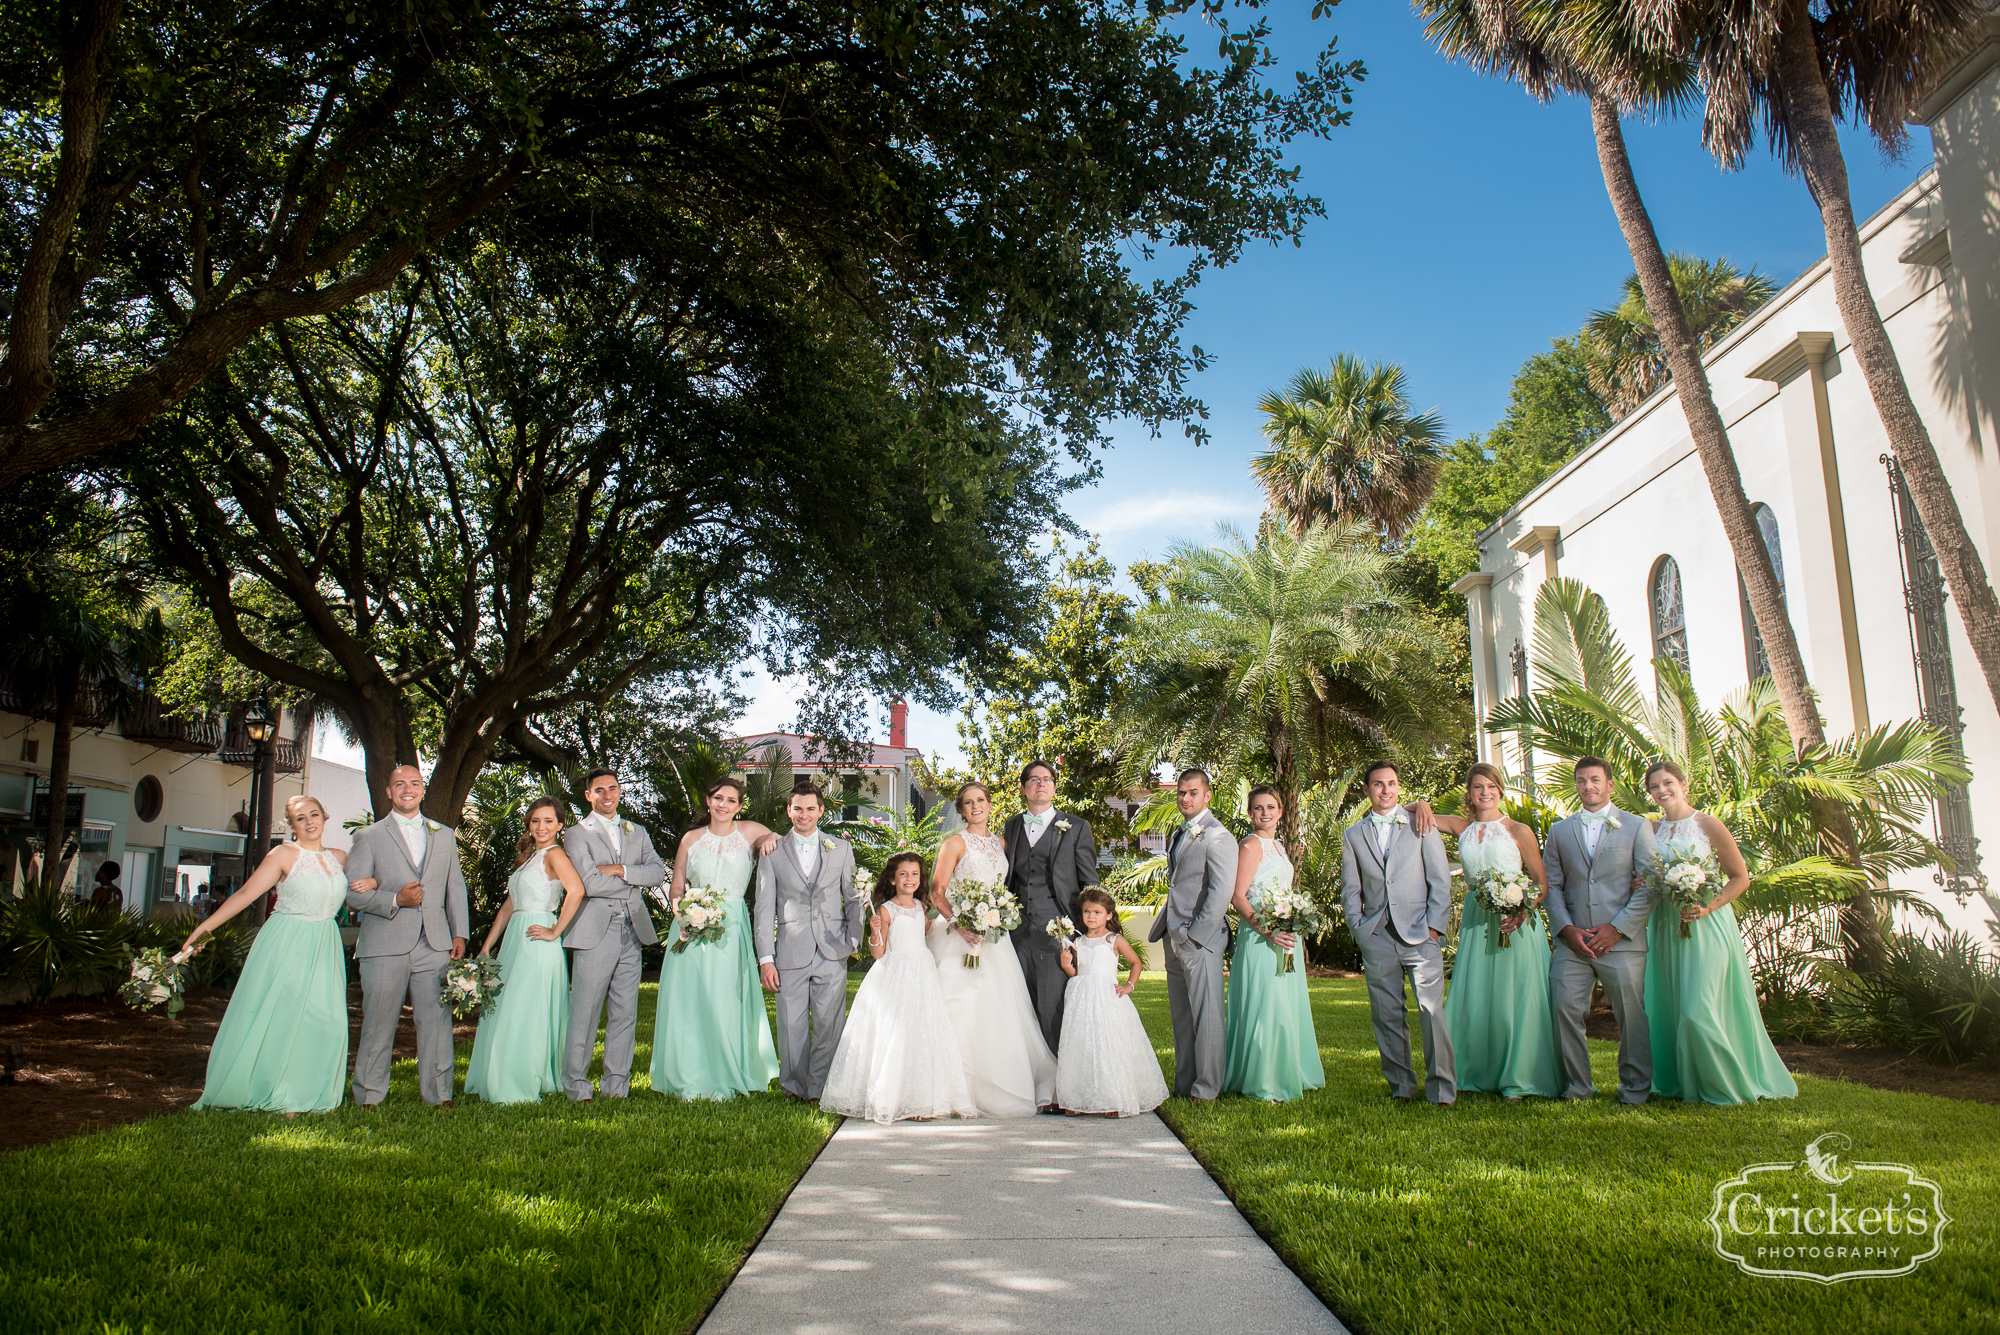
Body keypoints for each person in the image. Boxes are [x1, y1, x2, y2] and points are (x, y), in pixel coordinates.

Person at [1641, 761, 1797, 1105]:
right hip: (1666, 924)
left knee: (1698, 1008)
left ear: (1684, 783)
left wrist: (1708, 907)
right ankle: (1680, 1081)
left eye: (1668, 783)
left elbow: (1740, 877)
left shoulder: (1708, 824)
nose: (1661, 790)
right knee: (1669, 1005)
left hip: (1706, 923)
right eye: (1654, 786)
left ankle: (1722, 1085)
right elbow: (1645, 876)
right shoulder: (1649, 829)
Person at [184, 796, 349, 1114]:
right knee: (283, 1015)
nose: (309, 821)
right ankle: (281, 1092)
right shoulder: (283, 854)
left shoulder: (340, 857)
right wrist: (203, 930)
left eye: (314, 814)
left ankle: (307, 1088)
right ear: (292, 825)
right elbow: (246, 894)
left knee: (325, 1020)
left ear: (325, 817)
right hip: (287, 941)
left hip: (325, 943)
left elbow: (362, 891)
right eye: (301, 818)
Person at [1417, 764, 1560, 1101]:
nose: (1485, 793)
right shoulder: (1461, 827)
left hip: (1516, 920)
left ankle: (1521, 1076)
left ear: (1500, 790)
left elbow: (1542, 884)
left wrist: (1523, 909)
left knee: (1517, 997)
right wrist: (1421, 804)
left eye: (1491, 786)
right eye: (1478, 787)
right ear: (1469, 792)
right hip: (1477, 917)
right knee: (1479, 996)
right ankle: (1474, 1071)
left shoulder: (1518, 830)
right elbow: (1411, 812)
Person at [345, 765, 471, 1108]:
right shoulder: (368, 837)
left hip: (435, 943)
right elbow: (353, 895)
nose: (407, 789)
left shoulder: (443, 834)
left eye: (414, 783)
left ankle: (440, 1095)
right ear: (388, 791)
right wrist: (394, 899)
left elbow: (454, 888)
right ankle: (370, 1096)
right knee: (378, 1023)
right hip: (384, 944)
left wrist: (459, 932)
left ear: (422, 789)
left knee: (436, 1023)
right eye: (398, 783)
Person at [928, 781, 1056, 1117]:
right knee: (962, 1007)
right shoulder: (954, 843)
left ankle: (1002, 1083)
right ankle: (956, 1089)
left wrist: (996, 916)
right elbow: (937, 892)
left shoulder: (1002, 843)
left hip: (995, 940)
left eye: (980, 800)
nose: (975, 807)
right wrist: (960, 924)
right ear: (961, 810)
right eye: (968, 803)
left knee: (1001, 1010)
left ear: (989, 804)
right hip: (960, 936)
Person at [650, 777, 783, 1100]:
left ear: (739, 806)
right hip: (692, 926)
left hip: (733, 927)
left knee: (726, 997)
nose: (723, 805)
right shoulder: (691, 839)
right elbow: (677, 886)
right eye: (718, 798)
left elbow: (775, 837)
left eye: (731, 800)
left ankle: (728, 1067)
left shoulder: (750, 830)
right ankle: (690, 1072)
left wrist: (770, 837)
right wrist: (682, 916)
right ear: (708, 801)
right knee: (691, 1000)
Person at [819, 851, 977, 1124]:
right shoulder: (885, 909)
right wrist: (875, 930)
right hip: (895, 974)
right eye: (903, 874)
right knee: (896, 1032)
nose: (909, 879)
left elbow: (925, 932)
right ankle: (890, 1097)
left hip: (922, 973)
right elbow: (879, 953)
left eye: (914, 874)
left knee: (921, 1031)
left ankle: (919, 1100)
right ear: (892, 879)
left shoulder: (921, 906)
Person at [1544, 755, 1660, 1105]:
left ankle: (1635, 1090)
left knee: (1631, 1017)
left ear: (1610, 784)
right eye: (1581, 780)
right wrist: (1566, 930)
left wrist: (1617, 929)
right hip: (1573, 943)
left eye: (1595, 779)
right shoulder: (1559, 831)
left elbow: (1652, 885)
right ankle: (1578, 1088)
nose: (1588, 786)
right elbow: (1550, 886)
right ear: (1576, 785)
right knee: (1564, 1009)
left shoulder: (1638, 826)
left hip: (1622, 942)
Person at [1340, 760, 1455, 1105]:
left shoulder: (1421, 825)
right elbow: (1350, 889)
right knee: (1387, 1014)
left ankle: (1442, 1090)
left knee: (1431, 1013)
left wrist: (1435, 928)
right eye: (1378, 784)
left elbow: (1440, 879)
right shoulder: (1354, 835)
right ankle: (1401, 1087)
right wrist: (1360, 930)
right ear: (1366, 789)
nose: (1386, 790)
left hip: (1422, 935)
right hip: (1377, 936)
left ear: (1399, 787)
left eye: (1391, 783)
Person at [465, 796, 588, 1104]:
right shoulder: (529, 858)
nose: (541, 826)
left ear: (560, 826)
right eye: (535, 821)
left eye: (548, 821)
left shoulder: (555, 854)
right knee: (507, 1006)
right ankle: (500, 1073)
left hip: (537, 939)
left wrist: (555, 930)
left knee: (525, 1009)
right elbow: (509, 906)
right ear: (529, 825)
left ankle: (519, 1080)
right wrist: (486, 948)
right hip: (515, 941)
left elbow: (576, 890)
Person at [754, 780, 866, 1102]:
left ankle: (821, 1087)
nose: (804, 815)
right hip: (791, 949)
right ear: (789, 810)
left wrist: (854, 937)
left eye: (811, 808)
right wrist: (766, 958)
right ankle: (794, 1087)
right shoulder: (772, 854)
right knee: (791, 1024)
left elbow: (854, 896)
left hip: (833, 947)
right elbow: (763, 909)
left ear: (821, 811)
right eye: (798, 808)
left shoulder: (840, 849)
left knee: (829, 1024)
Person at [1221, 786, 1324, 1103]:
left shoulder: (1278, 846)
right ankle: (1264, 1080)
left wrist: (1294, 919)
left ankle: (1286, 1070)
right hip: (1262, 939)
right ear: (1250, 813)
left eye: (1271, 807)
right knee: (1267, 1006)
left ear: (1281, 811)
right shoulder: (1251, 846)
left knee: (1284, 1005)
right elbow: (1238, 896)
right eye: (1258, 808)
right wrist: (1269, 931)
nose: (1265, 813)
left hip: (1285, 938)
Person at [1148, 767, 1238, 1102]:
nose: (1186, 798)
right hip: (1174, 936)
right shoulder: (1178, 833)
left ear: (1207, 795)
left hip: (1200, 940)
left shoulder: (1218, 836)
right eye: (1181, 793)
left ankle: (1207, 1087)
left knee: (1207, 1015)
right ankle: (1185, 1083)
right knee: (1182, 1016)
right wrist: (1177, 934)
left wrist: (1195, 935)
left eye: (1193, 793)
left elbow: (1221, 891)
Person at [1001, 759, 1100, 1056]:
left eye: (1046, 779)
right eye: (1033, 779)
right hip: (1015, 931)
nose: (1040, 784)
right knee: (1021, 1006)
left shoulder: (1077, 828)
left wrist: (1092, 930)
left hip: (1057, 929)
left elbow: (1089, 882)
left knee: (1052, 1004)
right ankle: (1030, 1079)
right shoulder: (1012, 826)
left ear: (1054, 787)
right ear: (1023, 788)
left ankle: (1059, 1084)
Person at [1054, 888, 1167, 1116]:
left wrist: (1129, 985)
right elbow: (1078, 973)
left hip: (1107, 999)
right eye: (1087, 912)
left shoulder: (1114, 940)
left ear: (1109, 915)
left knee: (1108, 1043)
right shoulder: (1079, 941)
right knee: (1082, 1044)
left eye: (1097, 912)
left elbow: (1136, 963)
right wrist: (1067, 965)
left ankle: (1115, 1099)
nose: (1091, 916)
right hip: (1082, 999)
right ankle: (1079, 1099)